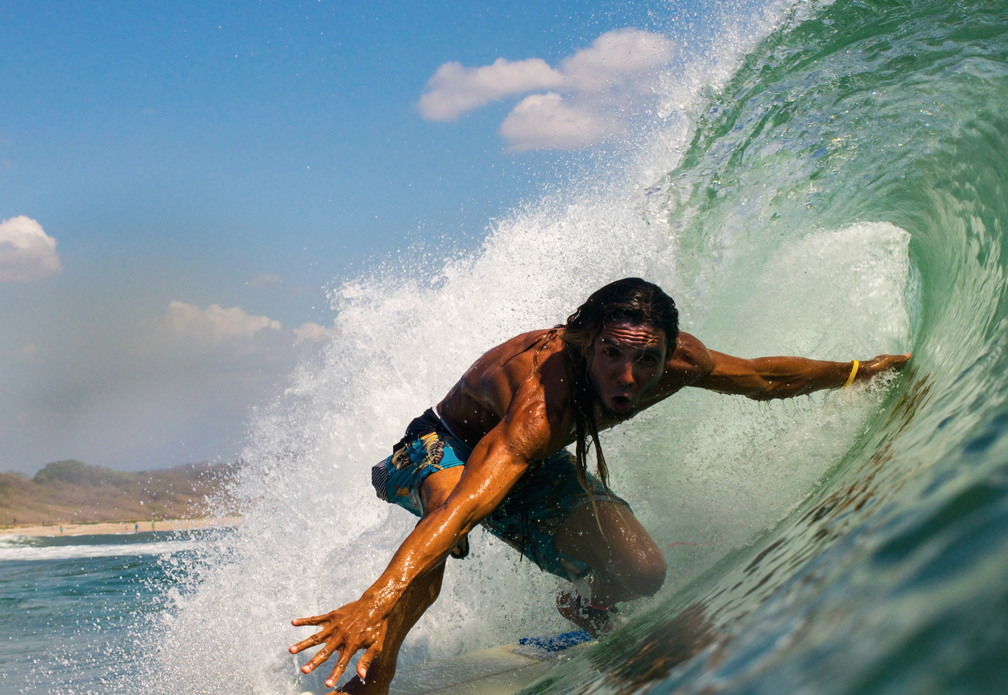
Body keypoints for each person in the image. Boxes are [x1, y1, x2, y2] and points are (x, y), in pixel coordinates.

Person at [289, 278, 911, 694]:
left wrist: (860, 372)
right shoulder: (542, 404)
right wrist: (377, 596)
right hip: (437, 449)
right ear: (587, 345)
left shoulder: (679, 364)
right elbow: (463, 508)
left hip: (527, 463)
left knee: (643, 572)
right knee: (452, 516)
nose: (629, 375)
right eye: (614, 354)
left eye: (647, 360)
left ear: (670, 353)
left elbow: (765, 377)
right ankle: (376, 673)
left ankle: (583, 606)